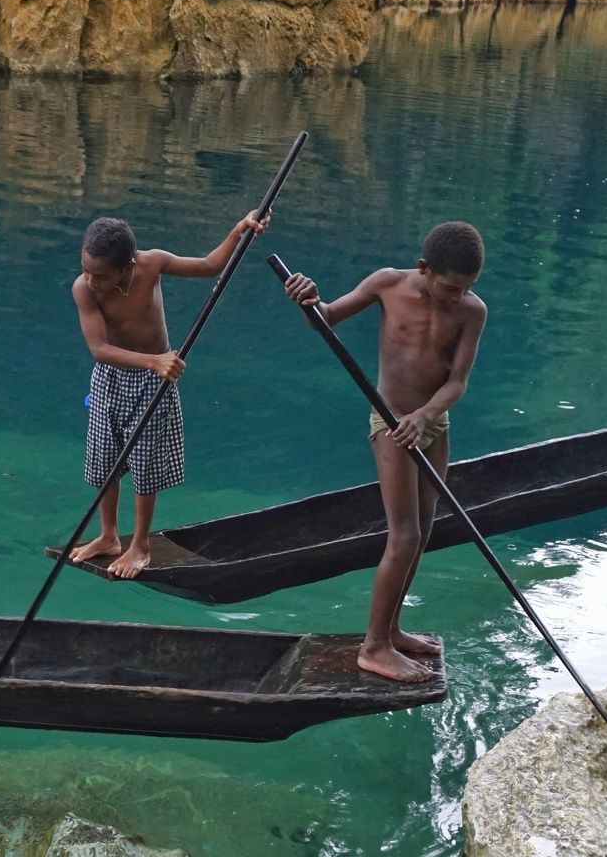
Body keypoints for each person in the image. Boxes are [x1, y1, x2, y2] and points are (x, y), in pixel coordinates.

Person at [284, 222, 486, 682]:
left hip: (432, 423)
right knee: (405, 535)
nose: (458, 297)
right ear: (424, 269)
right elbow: (326, 318)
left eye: (467, 289)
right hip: (391, 423)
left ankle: (392, 630)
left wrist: (427, 416)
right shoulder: (386, 284)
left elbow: (457, 383)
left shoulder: (472, 312)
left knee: (425, 528)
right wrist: (309, 297)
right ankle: (373, 647)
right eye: (452, 287)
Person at [71, 210, 269, 579]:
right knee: (104, 460)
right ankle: (108, 535)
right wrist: (153, 361)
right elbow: (99, 348)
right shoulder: (83, 289)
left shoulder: (152, 264)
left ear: (127, 267)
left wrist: (239, 230)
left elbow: (210, 265)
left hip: (154, 383)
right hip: (113, 377)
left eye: (101, 275)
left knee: (145, 463)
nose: (91, 281)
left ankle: (140, 545)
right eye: (86, 270)